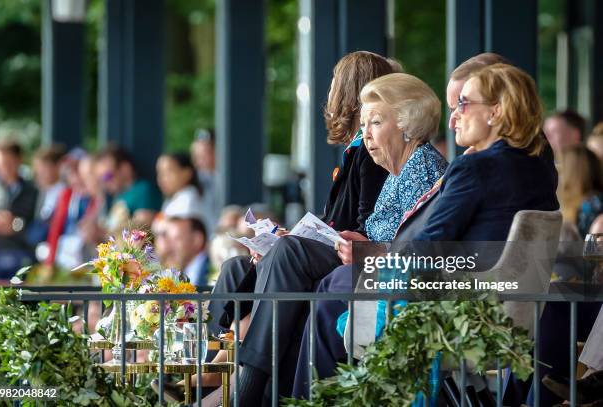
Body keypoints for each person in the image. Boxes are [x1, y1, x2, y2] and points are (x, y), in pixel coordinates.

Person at [294, 60, 560, 403]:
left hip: (455, 315)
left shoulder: (475, 168)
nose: (453, 118)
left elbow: (425, 246)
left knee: (330, 300)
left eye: (464, 104)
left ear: (495, 112)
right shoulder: (537, 169)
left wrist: (378, 256)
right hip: (506, 318)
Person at [224, 71, 448, 406]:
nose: (365, 135)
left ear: (406, 124)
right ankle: (246, 378)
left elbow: (417, 250)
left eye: (375, 123)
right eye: (364, 124)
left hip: (385, 283)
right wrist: (357, 240)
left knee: (290, 252)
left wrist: (365, 249)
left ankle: (250, 384)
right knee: (256, 262)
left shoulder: (423, 167)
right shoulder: (399, 170)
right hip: (364, 268)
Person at [0, 138, 38, 280]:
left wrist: (15, 225)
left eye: (7, 164)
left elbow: (35, 222)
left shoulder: (33, 190)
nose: (3, 169)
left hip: (22, 256)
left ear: (19, 161)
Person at [93, 145, 162, 233]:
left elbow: (143, 227)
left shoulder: (143, 189)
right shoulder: (119, 196)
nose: (104, 183)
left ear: (125, 168)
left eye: (107, 176)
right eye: (101, 179)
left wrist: (103, 232)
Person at [557, 145, 603, 238]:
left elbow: (593, 251)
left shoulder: (593, 206)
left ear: (571, 174)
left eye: (561, 170)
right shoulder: (592, 202)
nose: (558, 176)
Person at [156, 153, 210, 231]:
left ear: (187, 173)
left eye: (168, 172)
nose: (162, 178)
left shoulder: (189, 199)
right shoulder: (173, 199)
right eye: (159, 173)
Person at [165, 216, 210, 287]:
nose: (169, 246)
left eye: (177, 239)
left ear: (196, 240)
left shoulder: (214, 270)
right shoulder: (182, 271)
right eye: (170, 240)